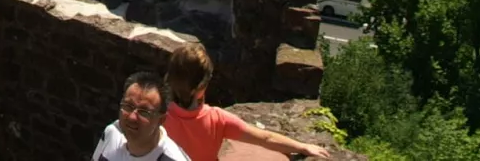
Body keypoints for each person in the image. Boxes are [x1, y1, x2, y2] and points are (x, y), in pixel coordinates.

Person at [162, 42, 329, 160]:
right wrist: (303, 147)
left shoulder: (158, 118)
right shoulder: (217, 119)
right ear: (202, 87)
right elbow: (266, 138)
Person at [92, 71, 191, 161]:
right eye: (128, 106)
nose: (132, 117)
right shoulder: (112, 133)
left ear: (161, 120)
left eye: (144, 112)